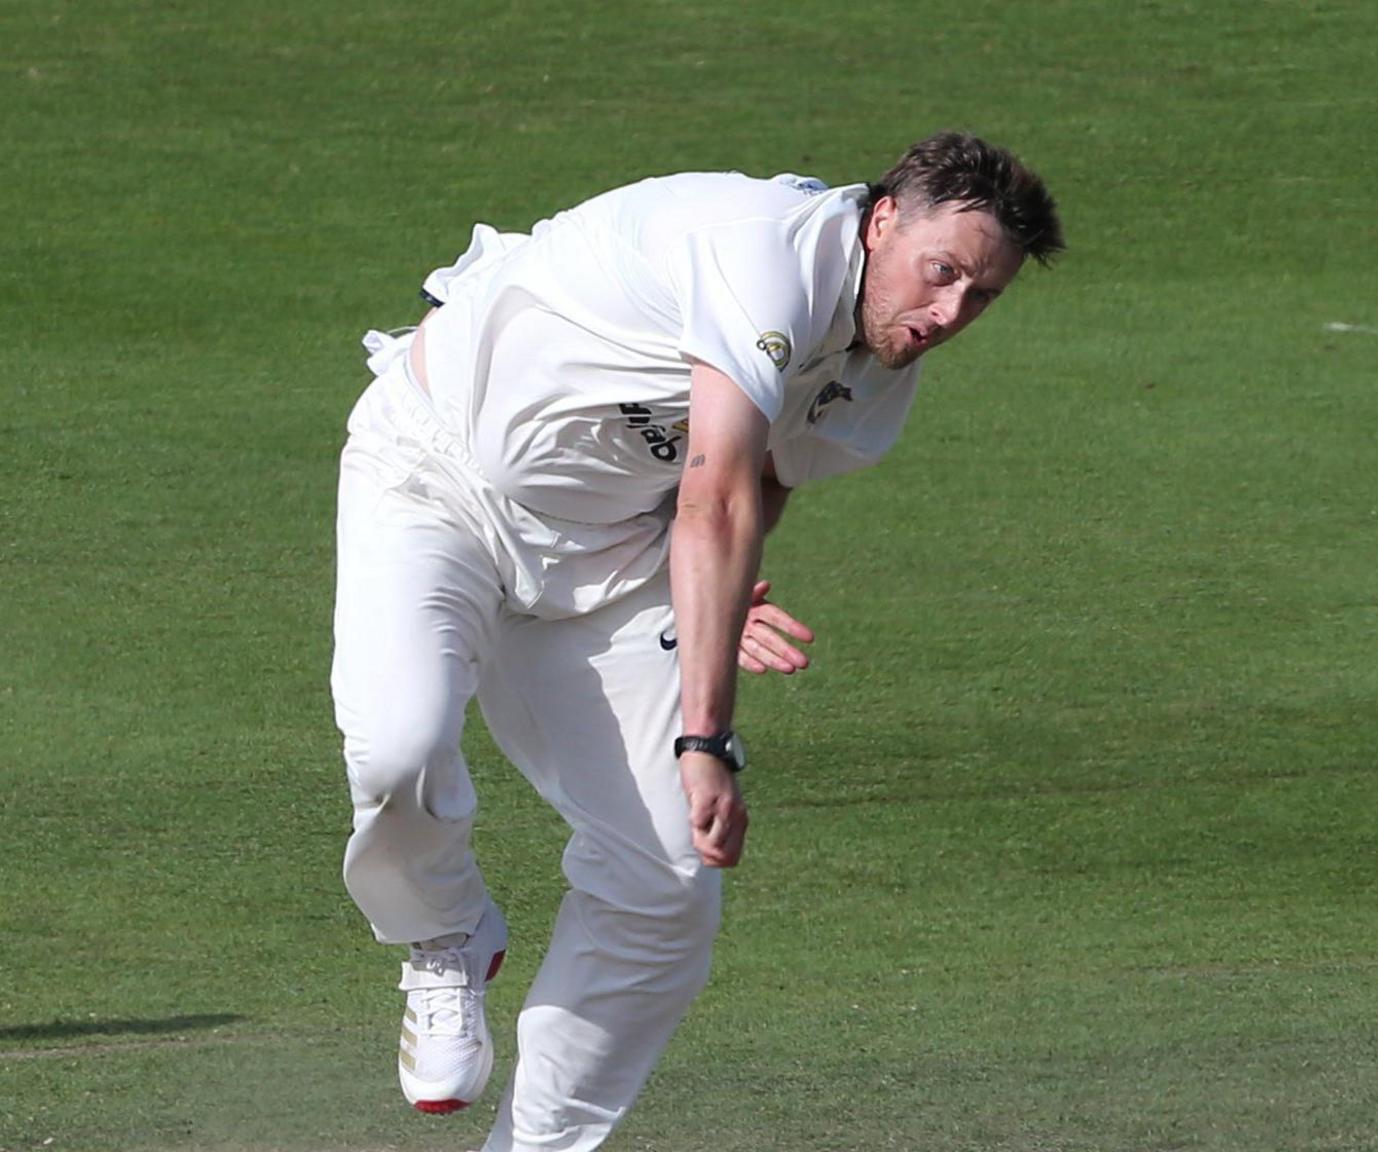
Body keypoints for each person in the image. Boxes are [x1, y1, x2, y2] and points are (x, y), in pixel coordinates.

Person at [331, 131, 1063, 1152]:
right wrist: (705, 738)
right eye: (942, 273)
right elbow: (714, 496)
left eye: (979, 297)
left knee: (668, 882)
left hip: (617, 554)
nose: (946, 315)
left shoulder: (882, 359)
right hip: (434, 483)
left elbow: (756, 491)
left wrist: (709, 598)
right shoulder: (765, 253)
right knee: (399, 749)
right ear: (884, 216)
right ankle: (442, 934)